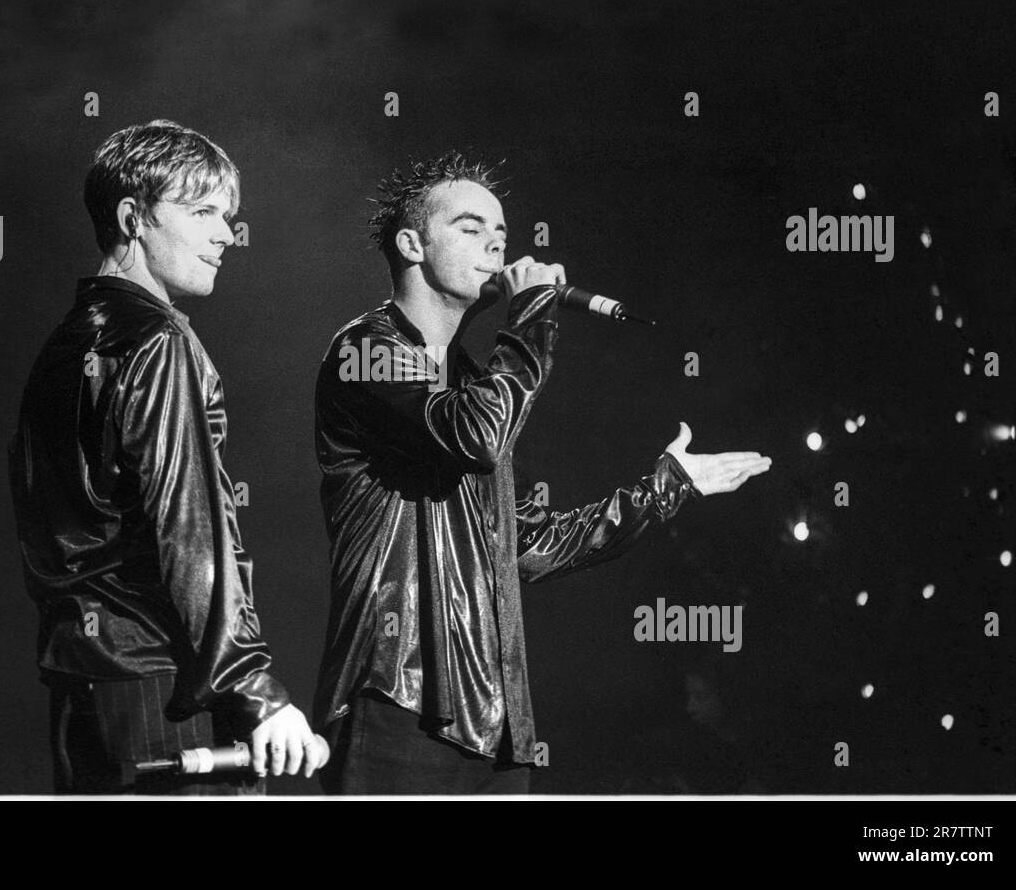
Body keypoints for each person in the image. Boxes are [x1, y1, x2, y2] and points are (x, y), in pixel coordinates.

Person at [312, 152, 771, 794]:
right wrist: (529, 320)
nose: (495, 250)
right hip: (397, 696)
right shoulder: (366, 352)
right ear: (411, 243)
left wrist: (668, 487)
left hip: (493, 718)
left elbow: (528, 546)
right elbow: (472, 435)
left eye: (501, 238)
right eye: (471, 230)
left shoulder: (479, 383)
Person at [8, 120, 318, 795]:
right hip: (163, 684)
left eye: (229, 217)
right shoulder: (157, 343)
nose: (226, 235)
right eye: (202, 211)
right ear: (132, 218)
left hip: (84, 682)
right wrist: (257, 693)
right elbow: (191, 535)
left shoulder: (63, 347)